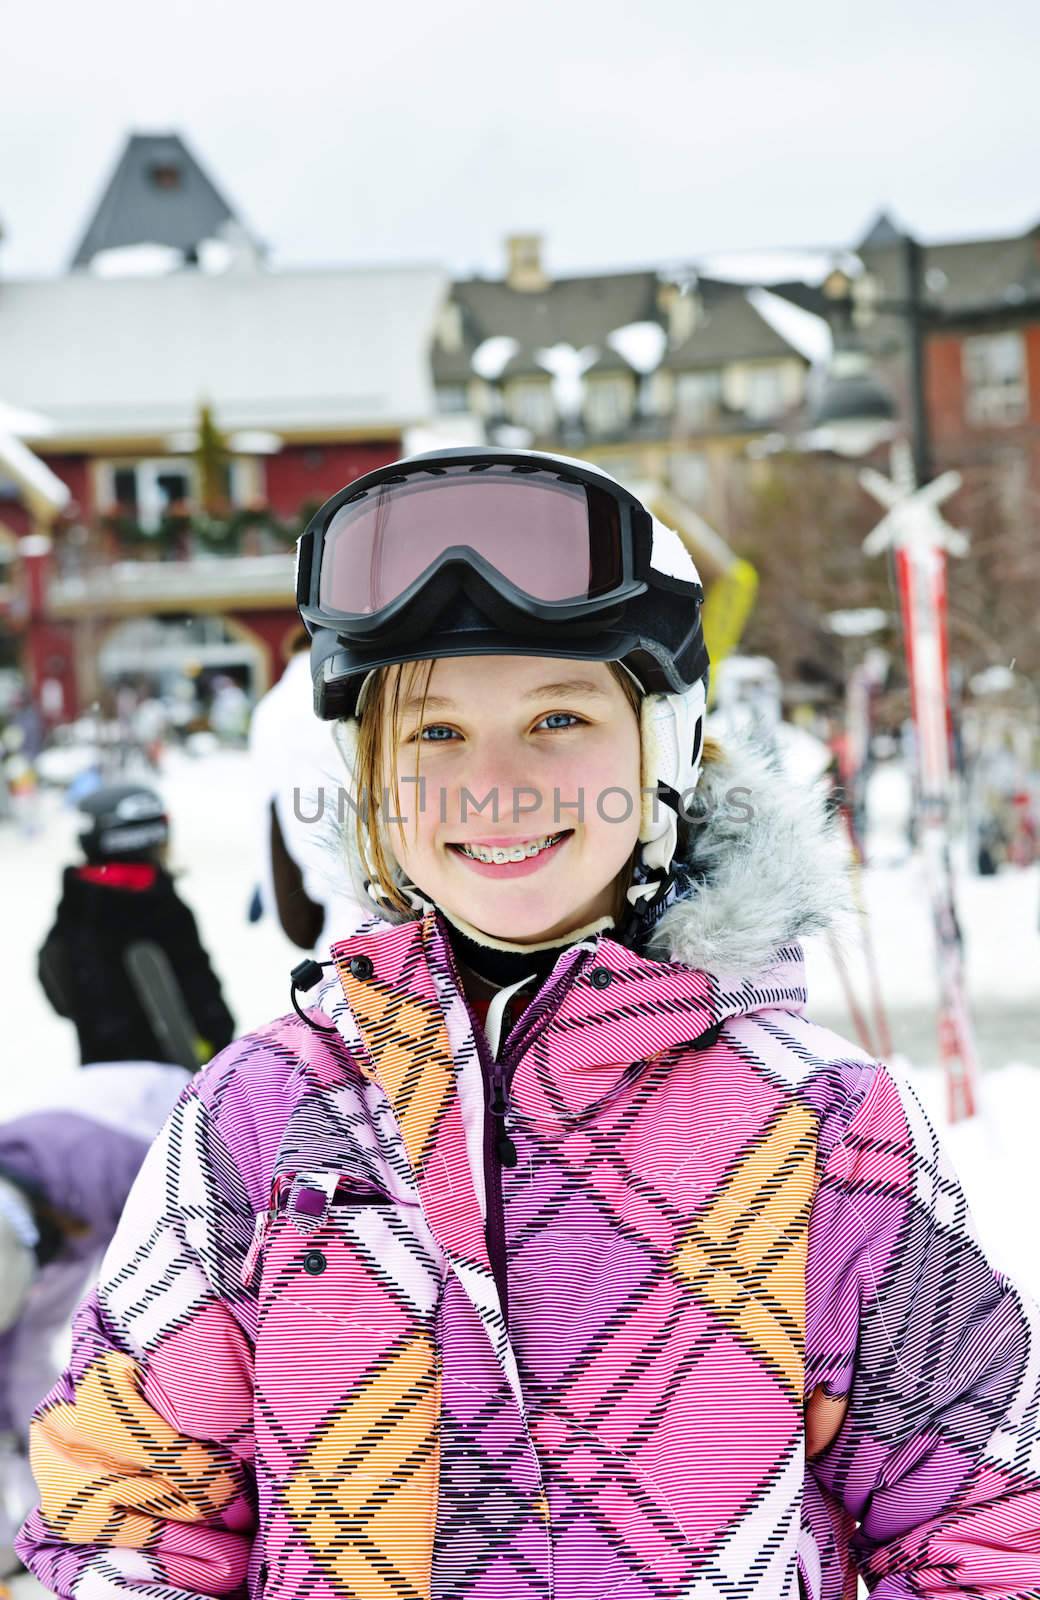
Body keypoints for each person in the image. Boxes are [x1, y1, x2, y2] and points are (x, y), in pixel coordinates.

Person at [16, 450, 1040, 1600]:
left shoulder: (826, 1130)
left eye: (557, 716)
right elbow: (121, 1509)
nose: (491, 784)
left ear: (663, 749)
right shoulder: (260, 1116)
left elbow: (986, 1525)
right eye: (434, 734)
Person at [0, 1064, 190, 1575]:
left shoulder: (114, 1161)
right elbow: (21, 1362)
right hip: (44, 1220)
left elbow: (183, 1288)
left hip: (161, 1129)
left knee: (170, 1345)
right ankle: (56, 1510)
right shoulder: (26, 1228)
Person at [37, 782, 235, 1068]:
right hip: (172, 1078)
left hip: (101, 1070)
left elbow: (55, 979)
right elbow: (201, 997)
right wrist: (220, 1046)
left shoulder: (76, 902)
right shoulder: (160, 907)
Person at [247, 629, 366, 953]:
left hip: (322, 893)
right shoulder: (356, 685)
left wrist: (282, 903)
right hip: (382, 889)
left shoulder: (271, 709)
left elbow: (270, 811)